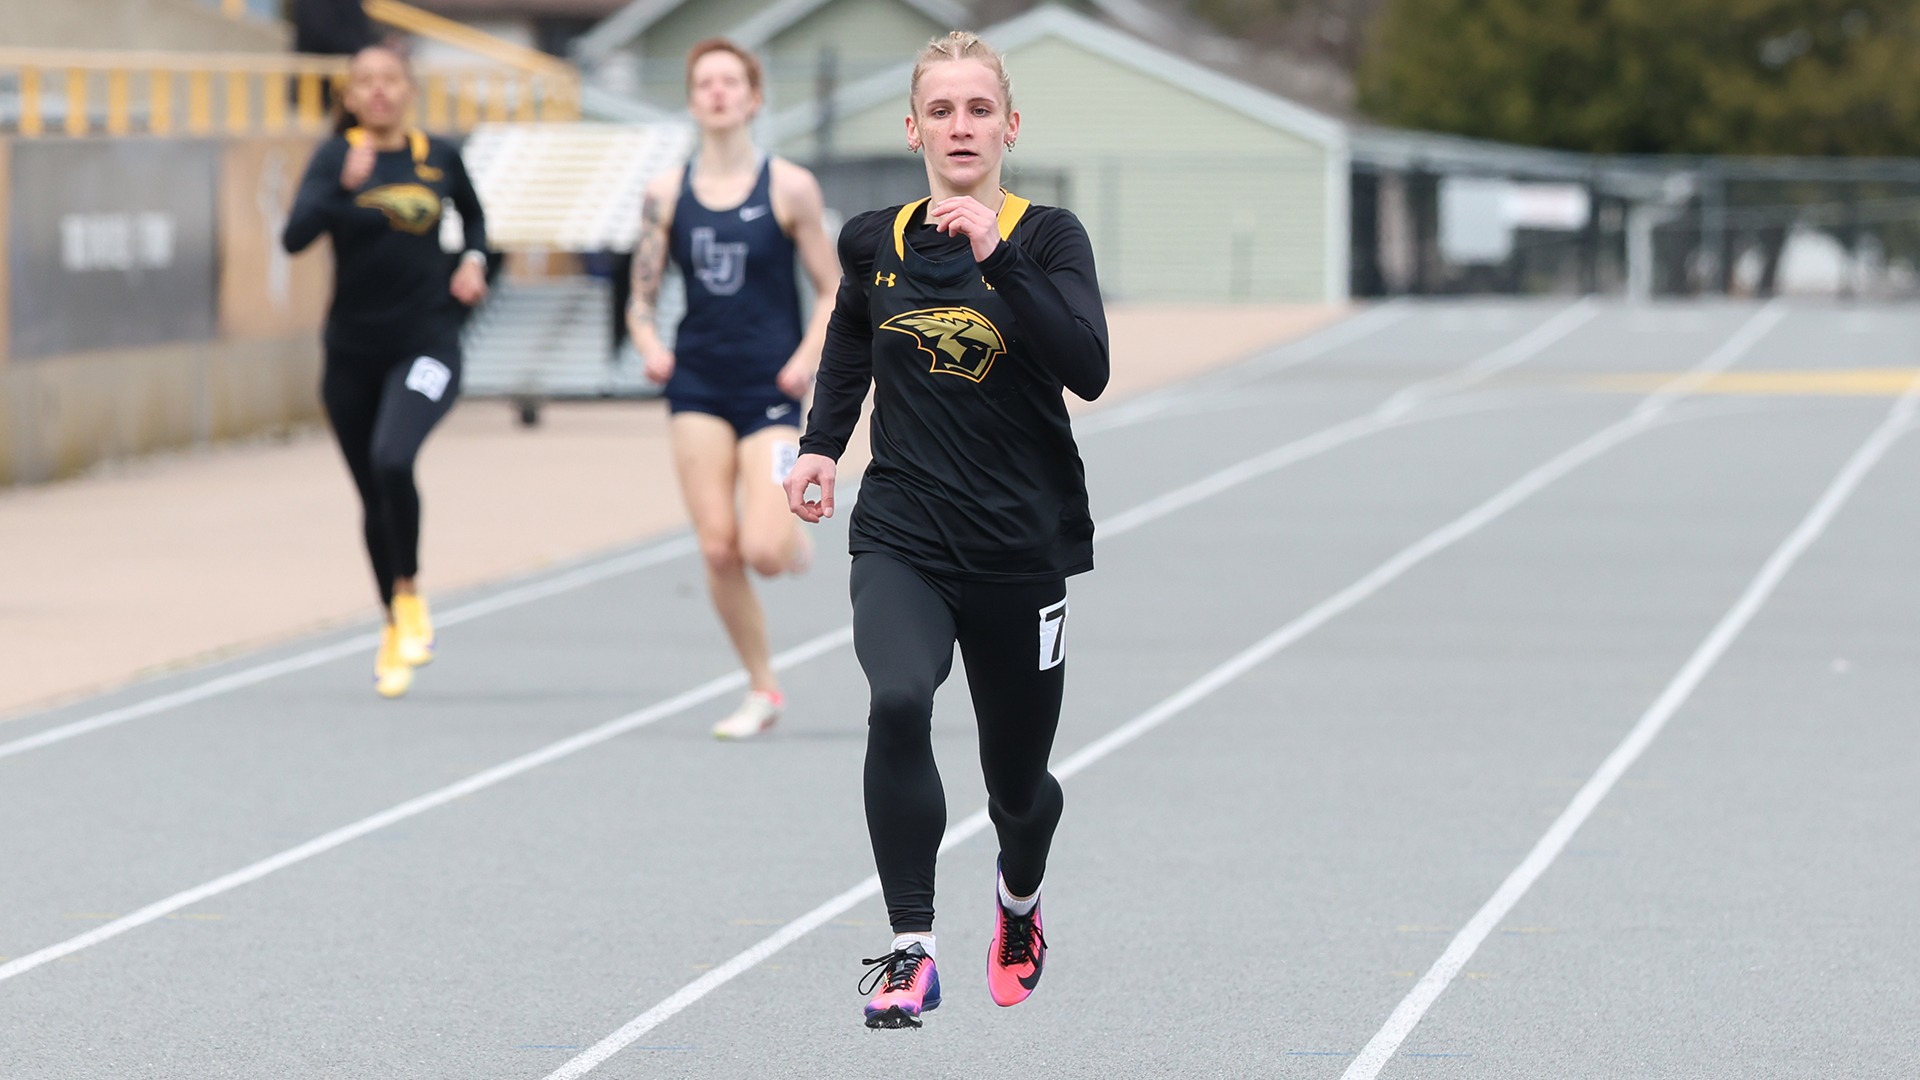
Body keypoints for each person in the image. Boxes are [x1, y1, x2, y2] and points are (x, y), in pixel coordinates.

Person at [784, 31, 1109, 1029]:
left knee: (1017, 787)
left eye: (978, 110)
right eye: (941, 109)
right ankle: (911, 948)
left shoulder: (1048, 237)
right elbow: (849, 342)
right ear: (914, 125)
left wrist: (995, 255)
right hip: (905, 534)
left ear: (1009, 126)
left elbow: (1085, 366)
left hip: (1021, 548)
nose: (959, 126)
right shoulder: (874, 242)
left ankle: (1018, 899)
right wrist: (820, 445)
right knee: (894, 700)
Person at [627, 39, 840, 740]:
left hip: (771, 391)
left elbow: (833, 288)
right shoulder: (665, 193)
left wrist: (808, 357)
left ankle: (788, 544)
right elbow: (641, 298)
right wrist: (653, 347)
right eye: (705, 82)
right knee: (718, 550)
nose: (718, 93)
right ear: (692, 99)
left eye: (731, 82)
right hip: (697, 385)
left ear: (752, 98)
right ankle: (762, 688)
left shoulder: (789, 187)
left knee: (764, 553)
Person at [283, 44, 489, 699]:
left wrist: (475, 261)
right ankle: (394, 616)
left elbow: (478, 221)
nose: (377, 92)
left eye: (389, 80)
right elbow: (294, 237)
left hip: (426, 342)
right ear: (348, 95)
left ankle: (410, 592)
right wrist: (340, 186)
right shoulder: (335, 157)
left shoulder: (440, 155)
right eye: (364, 82)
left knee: (393, 458)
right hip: (350, 353)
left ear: (408, 89)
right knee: (373, 490)